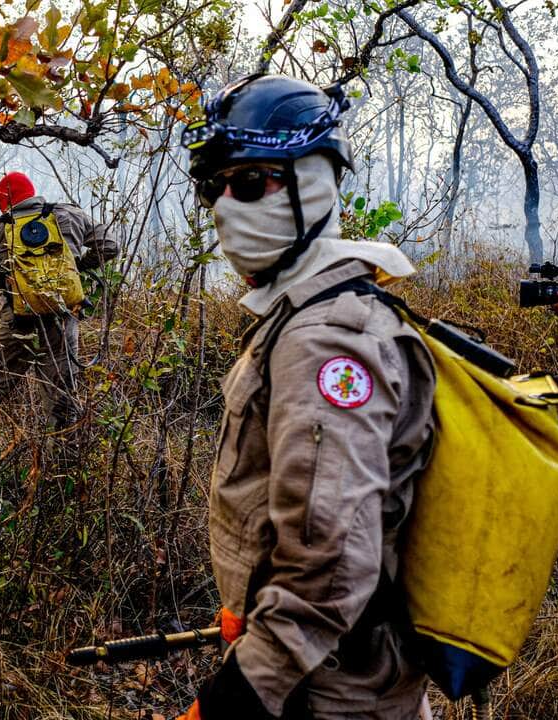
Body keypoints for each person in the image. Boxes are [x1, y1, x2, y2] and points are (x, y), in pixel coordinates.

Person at [177, 74, 436, 719]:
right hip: (316, 678)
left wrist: (238, 696)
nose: (224, 206)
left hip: (330, 696)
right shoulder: (306, 313)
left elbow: (328, 563)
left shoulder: (329, 339)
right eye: (214, 188)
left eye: (248, 182)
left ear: (311, 183)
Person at [0, 171, 116, 430]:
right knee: (62, 397)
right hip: (63, 319)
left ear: (4, 202)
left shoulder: (3, 227)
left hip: (19, 321)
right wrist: (79, 266)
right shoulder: (69, 214)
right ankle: (63, 449)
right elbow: (110, 245)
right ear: (31, 192)